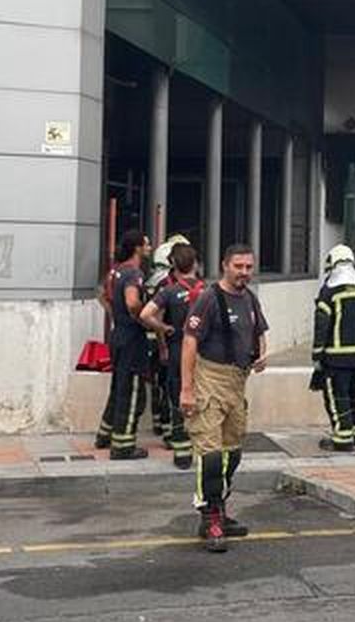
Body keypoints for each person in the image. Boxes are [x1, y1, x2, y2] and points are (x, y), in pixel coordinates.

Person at [180, 243, 268, 552]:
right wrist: (187, 389)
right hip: (210, 380)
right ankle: (211, 519)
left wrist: (262, 354)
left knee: (233, 453)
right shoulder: (209, 298)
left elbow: (259, 331)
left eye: (248, 267)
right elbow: (189, 342)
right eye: (238, 266)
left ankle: (220, 506)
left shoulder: (250, 299)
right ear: (225, 266)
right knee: (211, 455)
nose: (244, 272)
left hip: (237, 383)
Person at [139, 241, 202, 470]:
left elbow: (145, 315)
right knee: (203, 399)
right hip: (203, 354)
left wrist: (164, 329)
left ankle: (182, 454)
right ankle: (202, 450)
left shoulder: (169, 291)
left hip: (177, 350)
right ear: (196, 264)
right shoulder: (209, 292)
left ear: (173, 265)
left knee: (177, 399)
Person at [310, 244, 355, 452]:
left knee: (337, 398)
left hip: (335, 359)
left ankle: (342, 439)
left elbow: (322, 325)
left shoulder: (329, 293)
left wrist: (317, 354)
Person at [95, 227, 152, 460]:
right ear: (138, 248)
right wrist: (146, 319)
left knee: (119, 387)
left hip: (118, 334)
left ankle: (104, 435)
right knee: (133, 393)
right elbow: (132, 302)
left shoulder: (115, 271)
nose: (149, 247)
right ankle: (123, 446)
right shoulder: (133, 273)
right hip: (132, 339)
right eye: (146, 244)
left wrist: (115, 315)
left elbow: (102, 295)